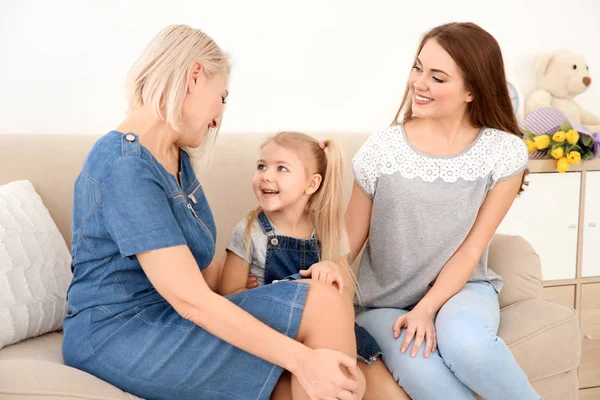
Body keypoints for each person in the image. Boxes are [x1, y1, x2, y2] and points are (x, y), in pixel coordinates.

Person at [62, 24, 363, 400]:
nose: (218, 116)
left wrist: (266, 288)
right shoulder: (125, 166)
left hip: (172, 318)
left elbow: (201, 273)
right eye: (221, 97)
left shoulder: (176, 159)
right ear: (194, 76)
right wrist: (302, 359)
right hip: (119, 332)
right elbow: (189, 298)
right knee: (322, 311)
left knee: (324, 321)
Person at [345, 22, 543, 400]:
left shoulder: (503, 152)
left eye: (437, 77)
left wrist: (427, 309)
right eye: (418, 68)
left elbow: (472, 249)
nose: (419, 83)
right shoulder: (381, 149)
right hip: (384, 304)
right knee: (430, 380)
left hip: (464, 289)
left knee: (469, 346)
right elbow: (345, 246)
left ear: (472, 90)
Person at [219, 132, 381, 378]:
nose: (266, 175)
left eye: (282, 168)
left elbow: (345, 305)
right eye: (262, 166)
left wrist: (334, 273)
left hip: (325, 332)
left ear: (312, 184)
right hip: (272, 338)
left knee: (373, 382)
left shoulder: (328, 230)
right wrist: (257, 294)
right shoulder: (250, 230)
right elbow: (226, 301)